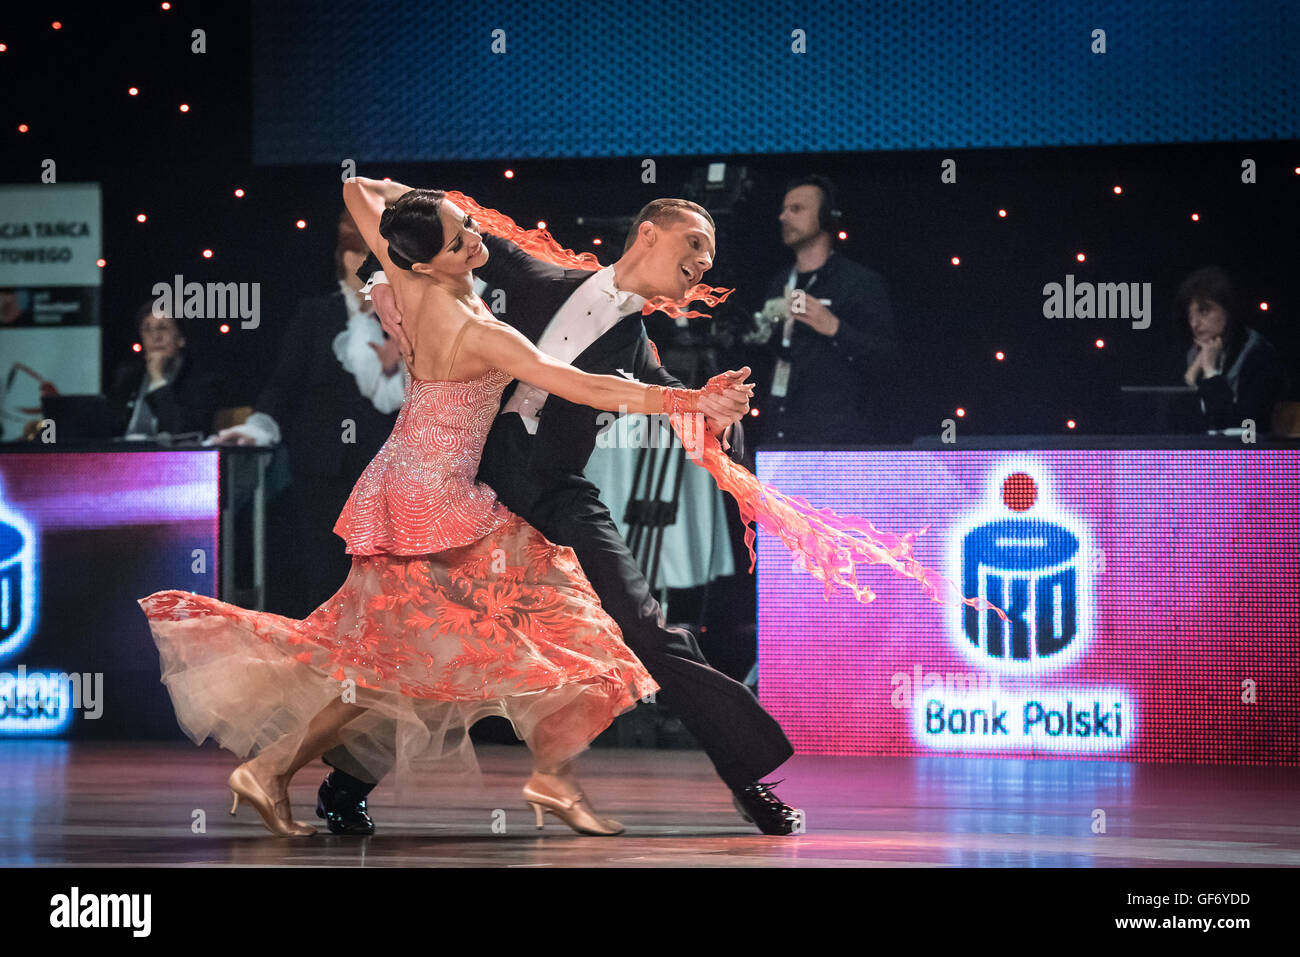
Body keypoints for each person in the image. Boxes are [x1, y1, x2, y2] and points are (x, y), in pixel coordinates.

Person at [137, 181, 747, 838]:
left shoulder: (414, 278)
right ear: (432, 259)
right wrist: (684, 403)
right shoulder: (478, 330)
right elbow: (583, 385)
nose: (478, 235)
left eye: (467, 226)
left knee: (400, 655)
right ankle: (543, 776)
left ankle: (287, 770)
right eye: (462, 237)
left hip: (404, 483)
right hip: (438, 503)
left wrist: (428, 206)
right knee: (540, 619)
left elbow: (357, 188)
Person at [325, 185, 806, 837]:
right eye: (695, 242)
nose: (704, 260)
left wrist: (716, 410)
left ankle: (748, 779)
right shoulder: (533, 272)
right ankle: (346, 782)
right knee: (442, 639)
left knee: (648, 627)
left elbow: (675, 404)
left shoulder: (638, 345)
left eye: (711, 253)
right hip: (476, 480)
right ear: (648, 235)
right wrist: (408, 228)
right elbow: (406, 217)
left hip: (557, 491)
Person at [214, 209, 408, 617]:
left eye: (372, 260)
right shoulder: (316, 315)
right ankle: (326, 673)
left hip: (389, 473)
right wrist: (258, 427)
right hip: (324, 475)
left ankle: (381, 674)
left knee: (388, 587)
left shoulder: (405, 316)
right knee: (327, 580)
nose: (363, 269)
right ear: (342, 261)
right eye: (355, 257)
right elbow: (283, 385)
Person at [753, 175, 897, 444]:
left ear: (826, 217)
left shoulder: (859, 283)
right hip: (779, 432)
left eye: (796, 209)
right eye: (783, 210)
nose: (783, 217)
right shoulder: (780, 282)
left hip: (835, 439)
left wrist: (833, 328)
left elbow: (885, 359)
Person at [1177, 266, 1290, 432]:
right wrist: (1192, 374)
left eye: (1204, 311)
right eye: (1190, 314)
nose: (1194, 323)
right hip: (1201, 453)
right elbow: (1176, 423)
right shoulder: (1193, 355)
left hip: (1249, 454)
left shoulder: (1259, 357)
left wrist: (1211, 373)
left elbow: (1241, 424)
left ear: (1229, 310)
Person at [108, 302, 222, 438]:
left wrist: (157, 381)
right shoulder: (129, 377)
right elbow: (110, 429)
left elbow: (183, 432)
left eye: (163, 328)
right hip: (124, 455)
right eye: (147, 330)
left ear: (181, 339)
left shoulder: (202, 380)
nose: (155, 337)